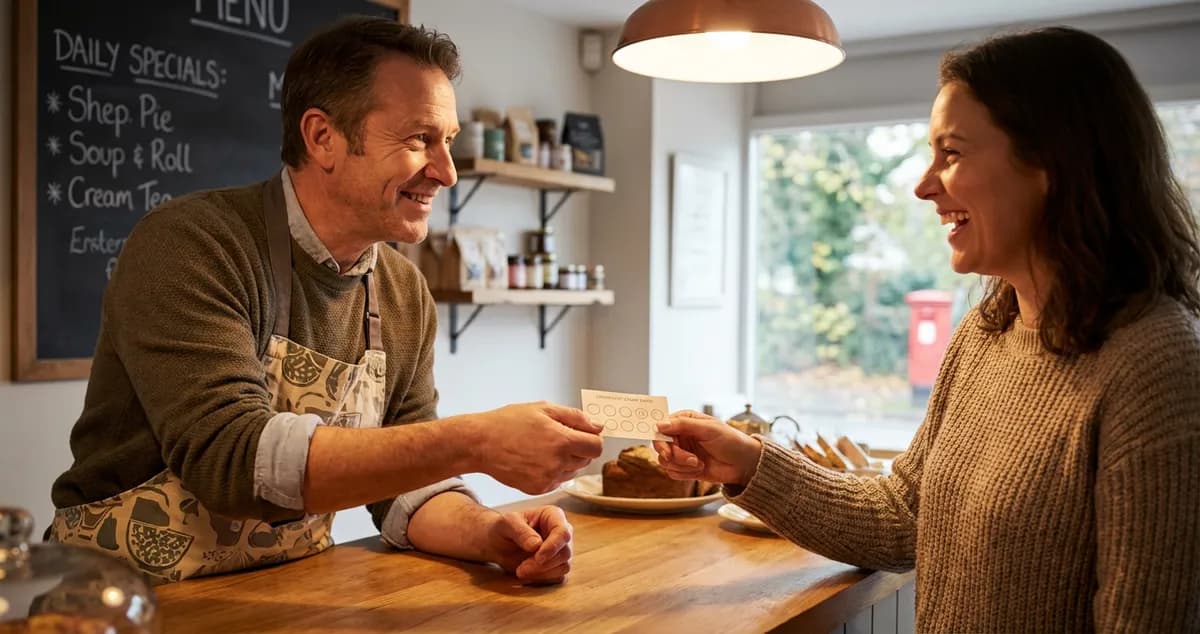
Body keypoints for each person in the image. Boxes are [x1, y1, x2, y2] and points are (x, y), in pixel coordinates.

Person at [655, 26, 1200, 632]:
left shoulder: (1157, 364)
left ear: (1052, 163)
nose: (923, 184)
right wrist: (750, 464)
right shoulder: (988, 332)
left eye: (953, 153)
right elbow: (906, 515)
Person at [48, 18, 603, 585]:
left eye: (449, 142)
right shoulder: (193, 244)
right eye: (419, 139)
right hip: (115, 602)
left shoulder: (404, 293)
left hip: (287, 594)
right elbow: (234, 462)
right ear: (322, 138)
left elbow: (406, 486)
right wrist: (477, 441)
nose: (447, 172)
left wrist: (488, 533)